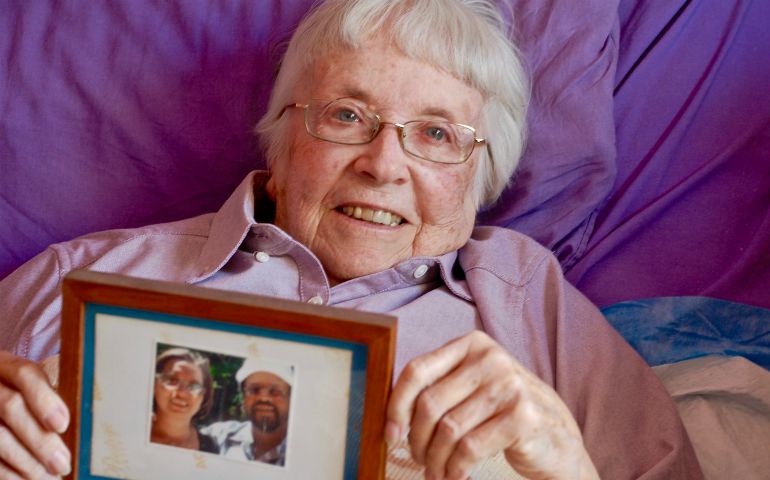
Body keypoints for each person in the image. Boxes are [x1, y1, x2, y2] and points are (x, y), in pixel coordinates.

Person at [0, 0, 703, 479]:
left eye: (436, 135)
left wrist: (573, 468)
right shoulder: (84, 274)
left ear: (481, 177)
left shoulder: (528, 301)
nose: (383, 164)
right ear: (280, 142)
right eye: (346, 115)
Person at [200, 358, 292, 465]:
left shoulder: (304, 455)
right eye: (254, 390)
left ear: (291, 398)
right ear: (243, 397)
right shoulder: (219, 436)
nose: (264, 398)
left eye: (275, 392)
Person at [151, 348, 218, 454]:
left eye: (194, 386)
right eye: (172, 380)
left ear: (202, 397)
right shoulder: (131, 431)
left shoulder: (210, 448)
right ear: (154, 384)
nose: (182, 393)